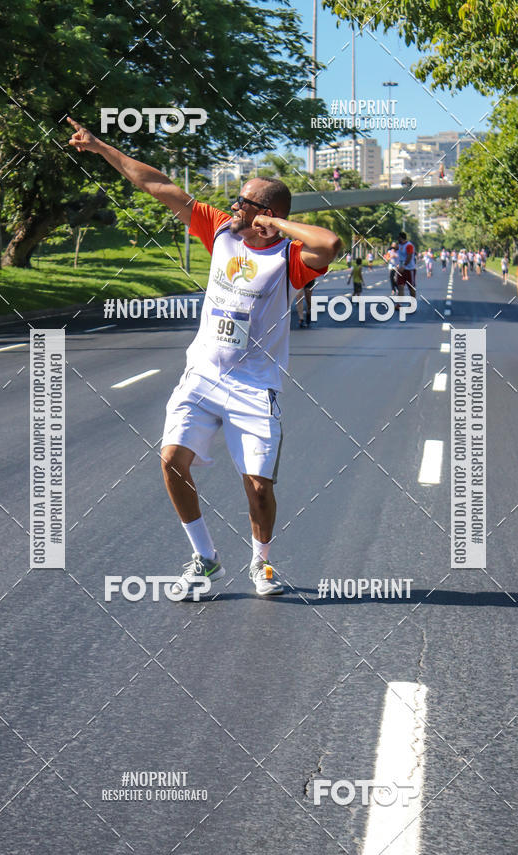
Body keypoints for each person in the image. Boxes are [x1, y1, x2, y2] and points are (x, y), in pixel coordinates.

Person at [67, 117, 341, 597]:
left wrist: (275, 224)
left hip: (256, 385)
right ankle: (206, 558)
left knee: (258, 486)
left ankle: (262, 563)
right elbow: (154, 183)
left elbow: (331, 244)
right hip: (202, 376)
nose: (233, 205)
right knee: (172, 459)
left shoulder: (290, 259)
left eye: (245, 201)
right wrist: (100, 146)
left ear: (266, 212)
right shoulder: (218, 230)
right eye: (236, 199)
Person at [396, 231, 416, 301]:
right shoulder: (399, 245)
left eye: (398, 238)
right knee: (400, 286)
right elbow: (399, 256)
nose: (397, 240)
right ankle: (399, 303)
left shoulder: (409, 245)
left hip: (409, 269)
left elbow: (409, 256)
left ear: (401, 238)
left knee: (411, 288)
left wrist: (404, 266)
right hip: (401, 270)